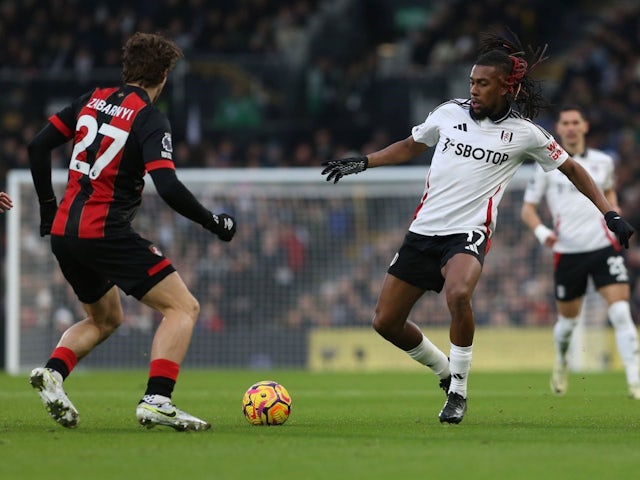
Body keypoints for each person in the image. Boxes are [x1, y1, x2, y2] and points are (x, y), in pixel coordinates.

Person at [320, 28, 634, 424]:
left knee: (458, 293)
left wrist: (609, 213)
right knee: (385, 322)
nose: (474, 90)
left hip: (469, 232)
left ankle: (459, 393)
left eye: (483, 84)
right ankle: (444, 371)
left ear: (506, 88)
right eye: (472, 82)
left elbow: (573, 169)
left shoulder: (525, 134)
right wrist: (364, 161)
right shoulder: (448, 113)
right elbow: (411, 144)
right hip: (424, 231)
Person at [27, 32, 236, 431]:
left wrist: (47, 210)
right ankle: (158, 399)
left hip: (65, 234)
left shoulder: (91, 98)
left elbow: (38, 146)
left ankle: (53, 372)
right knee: (182, 307)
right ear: (164, 74)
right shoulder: (149, 118)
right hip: (105, 232)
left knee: (105, 319)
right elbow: (169, 187)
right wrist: (214, 222)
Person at [521, 106, 640, 399]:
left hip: (603, 248)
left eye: (576, 122)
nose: (571, 127)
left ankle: (635, 380)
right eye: (566, 123)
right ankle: (561, 362)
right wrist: (542, 232)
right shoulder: (546, 166)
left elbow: (609, 191)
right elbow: (528, 209)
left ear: (585, 126)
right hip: (568, 252)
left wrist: (614, 211)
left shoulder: (603, 162)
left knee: (622, 312)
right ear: (559, 129)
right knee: (567, 325)